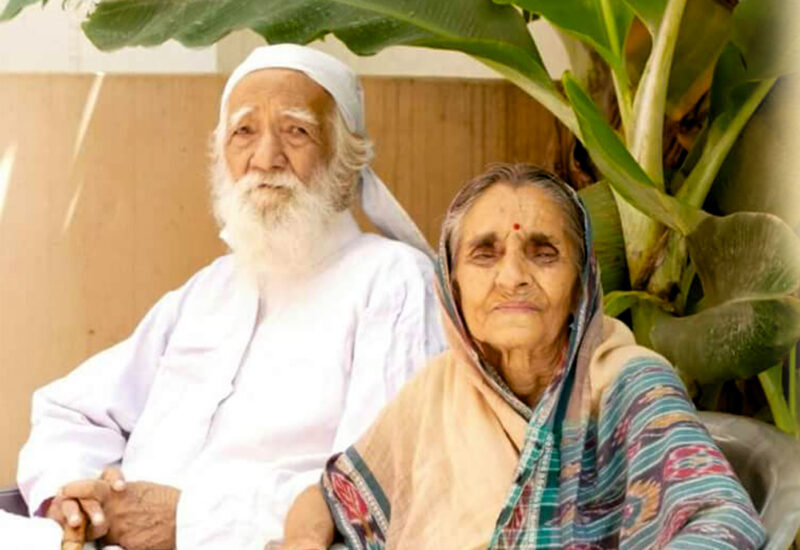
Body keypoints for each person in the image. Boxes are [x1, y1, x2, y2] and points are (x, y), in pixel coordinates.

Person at [17, 44, 445, 550]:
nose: (265, 159)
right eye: (244, 131)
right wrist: (74, 495)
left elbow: (375, 489)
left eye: (296, 131)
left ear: (345, 159)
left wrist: (189, 520)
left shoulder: (393, 281)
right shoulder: (209, 289)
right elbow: (72, 410)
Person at [280, 163, 766, 550]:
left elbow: (724, 520)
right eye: (485, 253)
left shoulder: (631, 385)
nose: (513, 276)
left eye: (543, 252)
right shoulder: (440, 391)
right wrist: (302, 541)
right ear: (452, 285)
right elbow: (330, 497)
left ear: (581, 283)